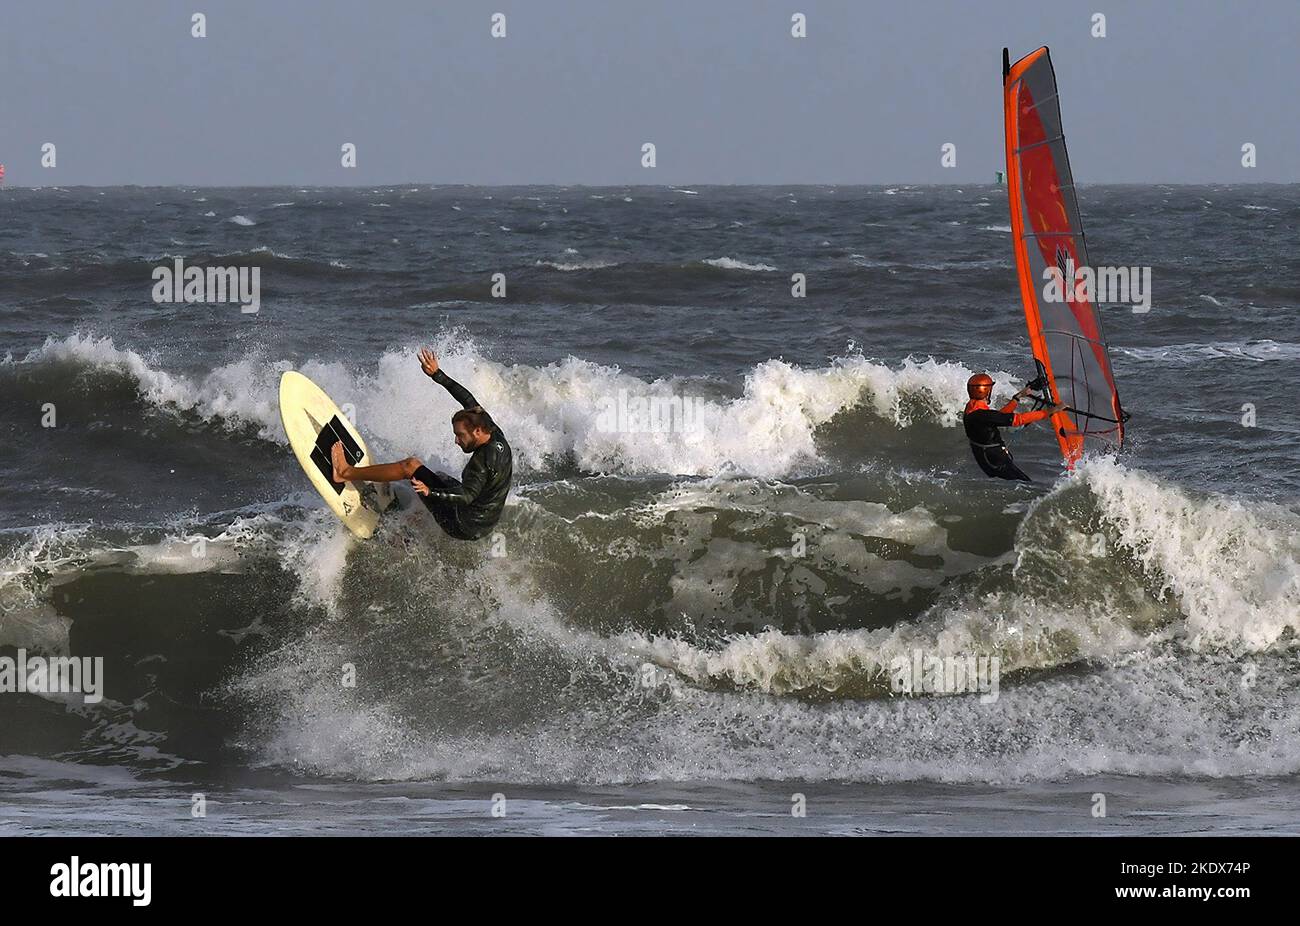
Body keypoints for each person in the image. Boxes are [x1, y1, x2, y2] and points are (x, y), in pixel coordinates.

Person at [329, 347, 512, 540]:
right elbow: (467, 399)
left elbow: (466, 496)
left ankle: (344, 472)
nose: (456, 441)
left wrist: (431, 492)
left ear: (477, 431)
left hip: (463, 524)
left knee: (411, 466)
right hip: (484, 523)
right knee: (440, 476)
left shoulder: (482, 462)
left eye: (460, 435)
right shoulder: (492, 431)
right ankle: (415, 519)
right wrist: (437, 374)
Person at [962, 373, 1064, 482]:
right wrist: (1049, 412)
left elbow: (999, 417)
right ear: (986, 391)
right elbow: (1018, 420)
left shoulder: (971, 408)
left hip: (987, 458)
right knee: (1027, 485)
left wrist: (1017, 397)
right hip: (994, 460)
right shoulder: (983, 415)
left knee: (1021, 484)